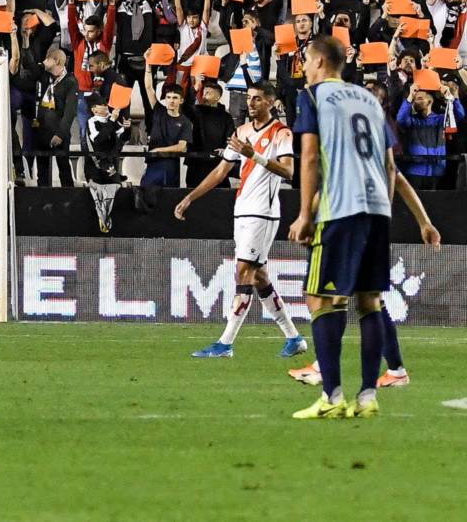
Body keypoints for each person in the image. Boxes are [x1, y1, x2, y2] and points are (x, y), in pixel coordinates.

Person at [286, 36, 442, 419]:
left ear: (320, 61)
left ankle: (332, 396)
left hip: (340, 208)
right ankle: (368, 395)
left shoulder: (312, 96)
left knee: (322, 299)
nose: (304, 67)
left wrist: (305, 213)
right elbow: (391, 168)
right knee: (370, 301)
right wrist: (399, 215)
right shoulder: (370, 101)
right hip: (377, 210)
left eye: (306, 60)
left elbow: (308, 157)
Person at [172, 82, 306, 359]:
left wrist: (253, 155)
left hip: (263, 212)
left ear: (271, 102)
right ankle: (294, 338)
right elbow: (221, 172)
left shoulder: (281, 133)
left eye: (258, 99)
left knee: (243, 272)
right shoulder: (242, 132)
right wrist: (190, 198)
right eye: (249, 98)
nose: (252, 103)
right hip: (242, 209)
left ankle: (226, 343)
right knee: (258, 276)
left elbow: (289, 172)